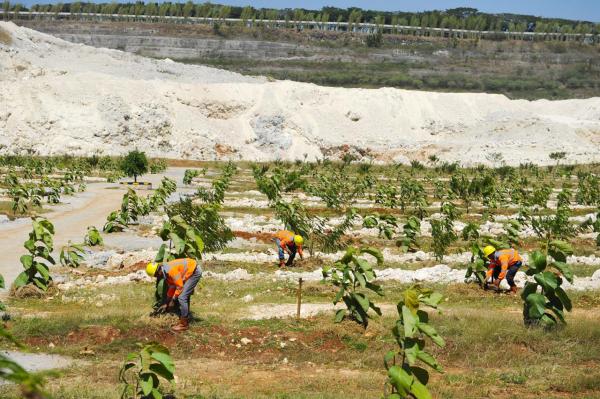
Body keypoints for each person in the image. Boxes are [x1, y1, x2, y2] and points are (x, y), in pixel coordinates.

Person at [146, 258, 202, 332]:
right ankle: (186, 317)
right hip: (190, 270)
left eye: (156, 276)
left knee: (182, 297)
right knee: (184, 296)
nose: (157, 278)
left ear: (158, 272)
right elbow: (172, 287)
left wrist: (173, 300)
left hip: (194, 272)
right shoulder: (165, 272)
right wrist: (167, 302)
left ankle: (184, 324)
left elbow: (179, 286)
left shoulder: (170, 271)